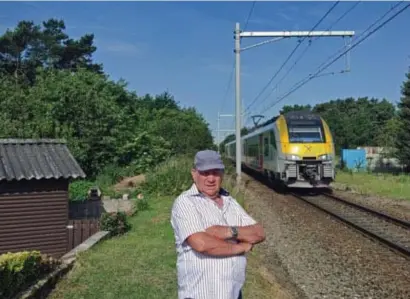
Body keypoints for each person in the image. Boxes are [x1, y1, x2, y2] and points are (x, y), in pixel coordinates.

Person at [170, 149, 266, 299]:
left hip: (233, 294)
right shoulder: (185, 202)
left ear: (222, 174)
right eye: (205, 173)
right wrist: (241, 246)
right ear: (194, 174)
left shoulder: (230, 202)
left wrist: (228, 231)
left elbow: (258, 232)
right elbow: (201, 244)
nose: (211, 178)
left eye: (215, 172)